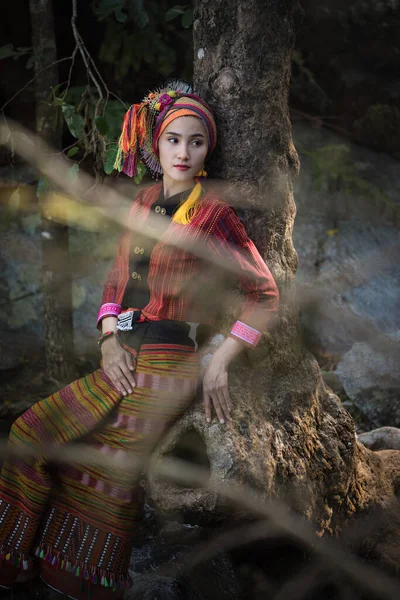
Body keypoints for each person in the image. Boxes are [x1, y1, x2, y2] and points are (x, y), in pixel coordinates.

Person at [0, 80, 279, 599]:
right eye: (173, 139)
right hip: (122, 352)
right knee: (29, 429)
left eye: (196, 142)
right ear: (156, 144)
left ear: (207, 150)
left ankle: (78, 581)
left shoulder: (215, 215)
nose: (183, 152)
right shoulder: (143, 202)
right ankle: (18, 564)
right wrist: (108, 339)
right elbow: (114, 280)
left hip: (171, 363)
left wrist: (220, 359)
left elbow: (264, 293)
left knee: (109, 462)